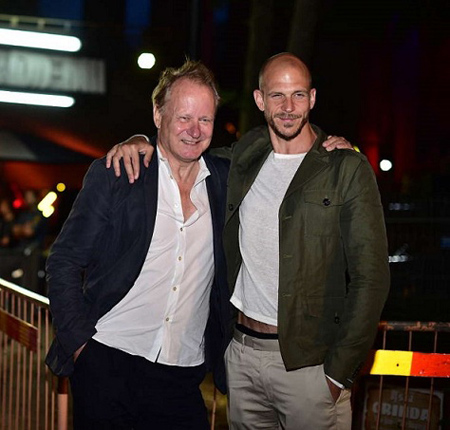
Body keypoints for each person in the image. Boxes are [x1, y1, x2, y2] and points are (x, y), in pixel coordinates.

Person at [106, 53, 390, 430]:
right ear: (260, 100)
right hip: (241, 358)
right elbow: (181, 149)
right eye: (277, 96)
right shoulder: (241, 160)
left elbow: (372, 278)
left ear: (313, 98)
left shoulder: (345, 168)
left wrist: (337, 375)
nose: (288, 108)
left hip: (309, 366)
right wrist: (138, 138)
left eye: (298, 95)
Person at [45, 60, 232, 430]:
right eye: (183, 118)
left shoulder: (226, 183)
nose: (195, 131)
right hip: (108, 362)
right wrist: (82, 346)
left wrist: (328, 144)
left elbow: (279, 149)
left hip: (183, 374)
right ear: (158, 114)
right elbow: (63, 261)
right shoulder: (118, 174)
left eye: (205, 120)